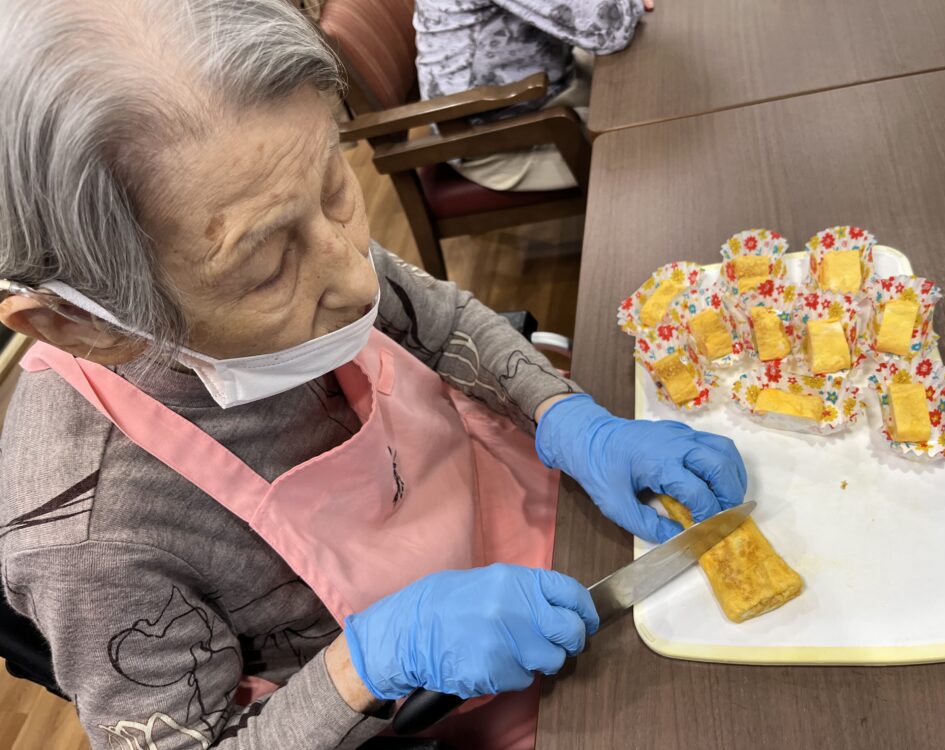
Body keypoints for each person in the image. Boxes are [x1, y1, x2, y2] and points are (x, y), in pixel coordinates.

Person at [0, 1, 746, 748]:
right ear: (84, 325)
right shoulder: (88, 541)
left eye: (335, 187)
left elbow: (444, 321)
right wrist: (371, 662)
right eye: (264, 270)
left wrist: (566, 418)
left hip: (549, 526)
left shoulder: (292, 227)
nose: (358, 280)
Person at [414, 0, 654, 192]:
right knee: (651, 144)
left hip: (547, 85)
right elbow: (608, 29)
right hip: (493, 136)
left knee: (653, 88)